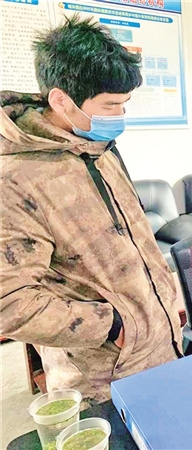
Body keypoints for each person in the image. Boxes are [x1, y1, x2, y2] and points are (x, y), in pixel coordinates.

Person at [0, 16, 182, 404]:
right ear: (61, 100)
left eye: (124, 105)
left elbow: (133, 239)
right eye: (111, 105)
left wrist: (163, 300)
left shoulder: (98, 148)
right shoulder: (16, 178)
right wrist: (111, 326)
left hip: (160, 347)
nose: (120, 116)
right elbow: (9, 302)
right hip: (102, 377)